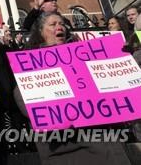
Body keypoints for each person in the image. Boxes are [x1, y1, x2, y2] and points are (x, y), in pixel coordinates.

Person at [17, 12, 131, 164]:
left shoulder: (84, 56)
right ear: (40, 32)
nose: (59, 27)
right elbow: (25, 101)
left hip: (105, 144)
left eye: (62, 24)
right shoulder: (31, 64)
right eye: (53, 24)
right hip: (67, 150)